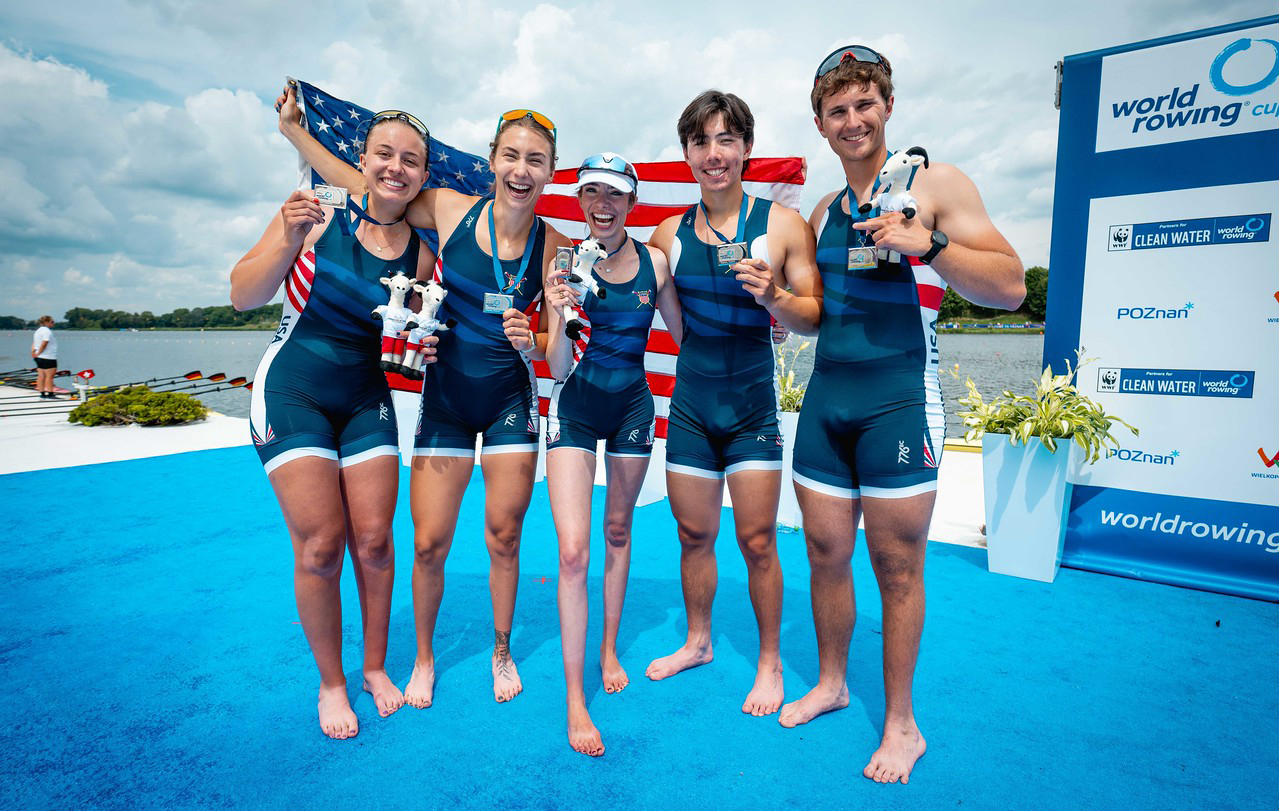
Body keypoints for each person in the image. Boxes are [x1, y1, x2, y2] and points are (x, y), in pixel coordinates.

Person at [276, 88, 572, 708]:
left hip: (512, 403)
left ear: (550, 171)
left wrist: (536, 336)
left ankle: (501, 650)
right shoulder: (448, 209)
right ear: (492, 160)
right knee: (429, 543)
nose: (521, 170)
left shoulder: (553, 248)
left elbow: (558, 345)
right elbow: (367, 189)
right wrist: (297, 135)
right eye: (511, 156)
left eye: (536, 160)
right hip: (446, 403)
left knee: (504, 538)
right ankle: (424, 658)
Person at [779, 47, 1026, 785]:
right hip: (826, 403)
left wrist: (932, 243)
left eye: (864, 104)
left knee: (895, 566)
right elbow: (816, 317)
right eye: (837, 110)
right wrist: (775, 305)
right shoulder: (823, 211)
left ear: (887, 107)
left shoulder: (934, 184)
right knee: (824, 551)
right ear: (821, 125)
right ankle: (831, 683)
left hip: (899, 402)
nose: (852, 120)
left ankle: (901, 724)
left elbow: (1011, 286)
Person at [231, 105, 439, 739]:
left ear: (423, 174)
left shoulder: (422, 255)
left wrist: (424, 348)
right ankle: (332, 683)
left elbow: (403, 340)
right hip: (292, 390)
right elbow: (242, 295)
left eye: (410, 160)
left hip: (364, 396)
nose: (396, 168)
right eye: (385, 154)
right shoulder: (316, 213)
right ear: (363, 160)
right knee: (322, 546)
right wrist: (287, 238)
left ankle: (374, 667)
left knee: (374, 543)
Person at [644, 90, 822, 716]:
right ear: (687, 152)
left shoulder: (783, 226)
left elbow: (813, 318)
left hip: (751, 411)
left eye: (726, 139)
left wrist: (774, 298)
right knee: (693, 534)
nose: (713, 154)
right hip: (692, 407)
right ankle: (697, 642)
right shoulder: (668, 234)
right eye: (701, 142)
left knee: (757, 540)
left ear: (747, 147)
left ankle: (770, 663)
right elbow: (653, 304)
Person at [541, 153, 682, 756]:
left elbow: (687, 337)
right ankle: (576, 699)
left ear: (631, 203)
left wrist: (767, 328)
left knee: (618, 531)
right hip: (574, 406)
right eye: (592, 192)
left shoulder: (655, 263)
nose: (602, 204)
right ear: (580, 201)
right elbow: (557, 368)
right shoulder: (563, 264)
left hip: (632, 408)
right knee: (573, 552)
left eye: (614, 194)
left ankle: (607, 649)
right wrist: (558, 311)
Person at [31, 316, 58, 398]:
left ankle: (42, 393)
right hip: (48, 357)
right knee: (49, 377)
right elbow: (44, 343)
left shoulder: (37, 331)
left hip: (38, 357)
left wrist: (33, 352)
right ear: (46, 322)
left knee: (41, 376)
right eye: (52, 322)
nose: (53, 323)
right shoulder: (47, 331)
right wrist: (39, 352)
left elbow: (34, 343)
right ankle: (50, 394)